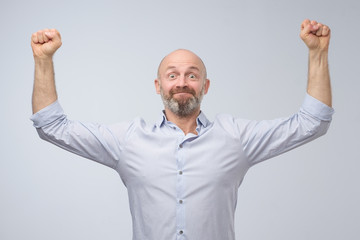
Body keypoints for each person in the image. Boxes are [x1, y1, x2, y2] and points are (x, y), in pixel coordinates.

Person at [30, 19, 334, 240]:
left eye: (192, 75)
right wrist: (43, 61)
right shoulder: (129, 141)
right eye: (172, 75)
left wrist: (317, 53)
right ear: (158, 85)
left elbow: (312, 122)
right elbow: (52, 126)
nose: (182, 82)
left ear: (205, 86)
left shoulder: (235, 138)